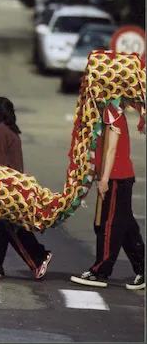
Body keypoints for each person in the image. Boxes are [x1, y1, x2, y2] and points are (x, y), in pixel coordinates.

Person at [0, 96, 52, 280]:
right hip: (10, 187)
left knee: (6, 226)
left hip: (4, 189)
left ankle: (38, 257)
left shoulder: (0, 132)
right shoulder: (7, 130)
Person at [70, 99, 145, 289]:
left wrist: (104, 179)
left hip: (117, 178)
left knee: (109, 227)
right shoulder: (107, 115)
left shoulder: (112, 115)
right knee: (126, 227)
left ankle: (100, 271)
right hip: (119, 177)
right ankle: (143, 269)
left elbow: (112, 149)